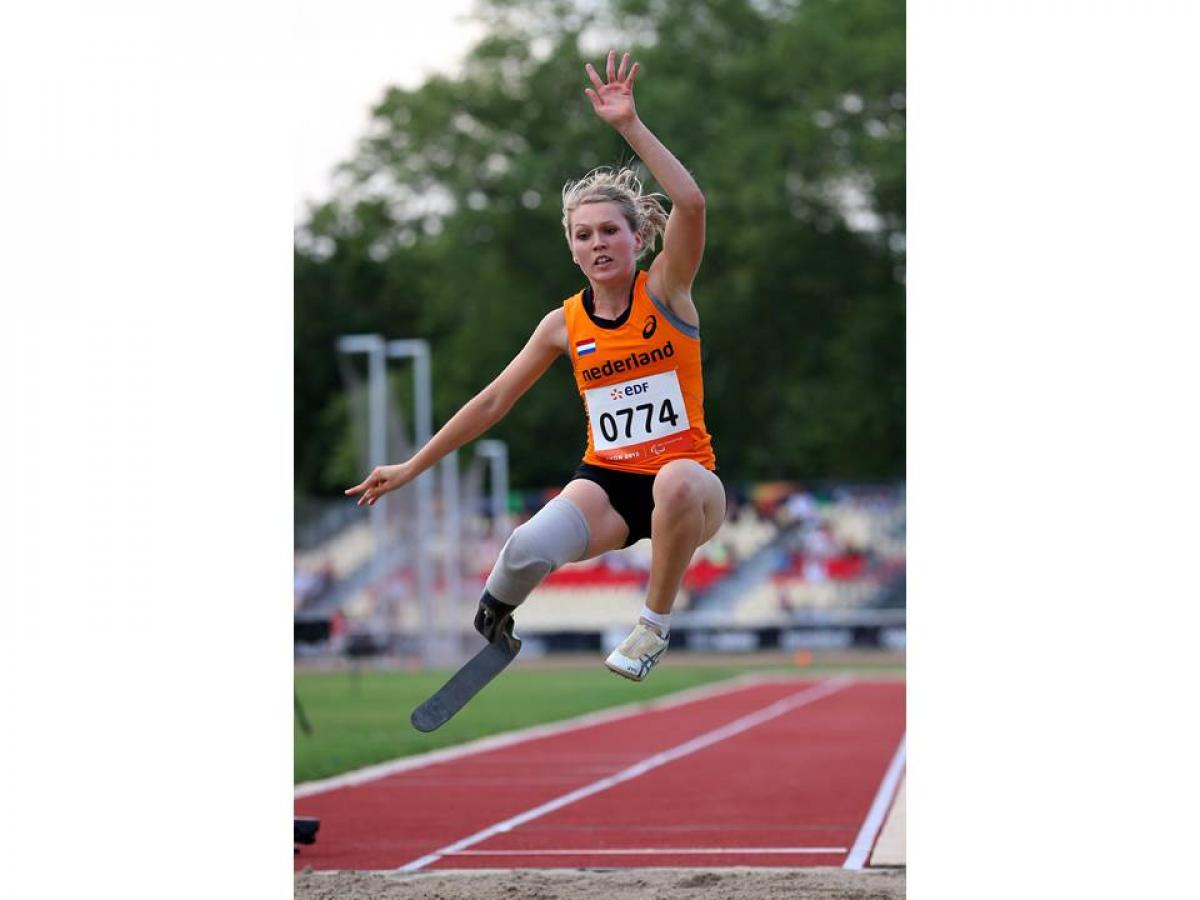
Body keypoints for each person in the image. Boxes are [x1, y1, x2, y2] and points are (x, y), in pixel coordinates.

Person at [345, 50, 726, 681]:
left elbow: (692, 204)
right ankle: (495, 623)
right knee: (522, 551)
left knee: (677, 481)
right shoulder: (562, 325)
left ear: (637, 238)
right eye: (584, 235)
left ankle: (652, 627)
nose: (598, 243)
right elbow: (493, 403)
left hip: (688, 486)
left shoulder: (666, 293)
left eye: (610, 231)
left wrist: (629, 126)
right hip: (607, 483)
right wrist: (412, 467)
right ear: (572, 249)